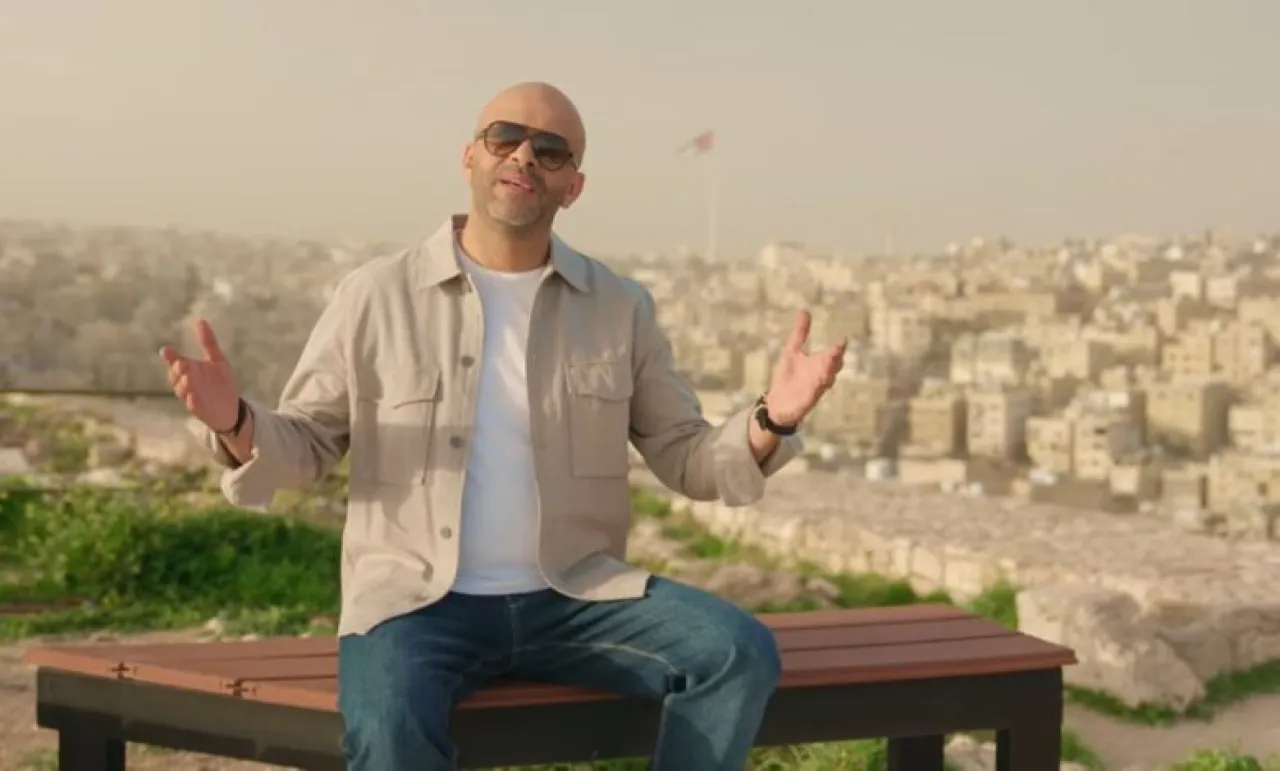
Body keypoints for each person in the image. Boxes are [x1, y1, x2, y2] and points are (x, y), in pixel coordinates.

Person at [159, 81, 846, 771]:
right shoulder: (376, 295)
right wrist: (236, 421)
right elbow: (308, 442)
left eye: (550, 150)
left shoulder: (618, 307)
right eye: (505, 137)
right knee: (390, 729)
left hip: (575, 596)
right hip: (414, 606)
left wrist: (771, 418)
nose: (523, 156)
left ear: (573, 186)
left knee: (736, 652)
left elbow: (686, 456)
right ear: (470, 156)